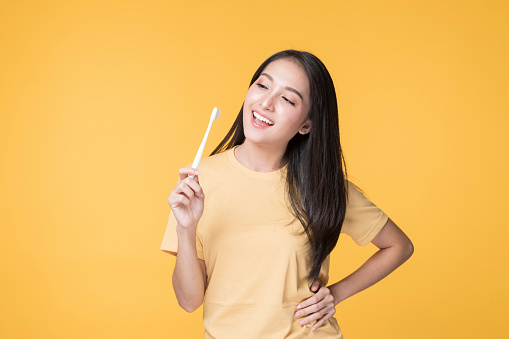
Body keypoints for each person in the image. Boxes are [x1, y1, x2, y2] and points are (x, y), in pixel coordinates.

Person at [160, 49, 414, 338]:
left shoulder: (322, 186)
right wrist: (186, 228)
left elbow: (399, 246)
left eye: (288, 99)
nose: (266, 103)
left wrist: (335, 294)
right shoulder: (197, 182)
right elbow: (189, 301)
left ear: (307, 124)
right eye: (263, 85)